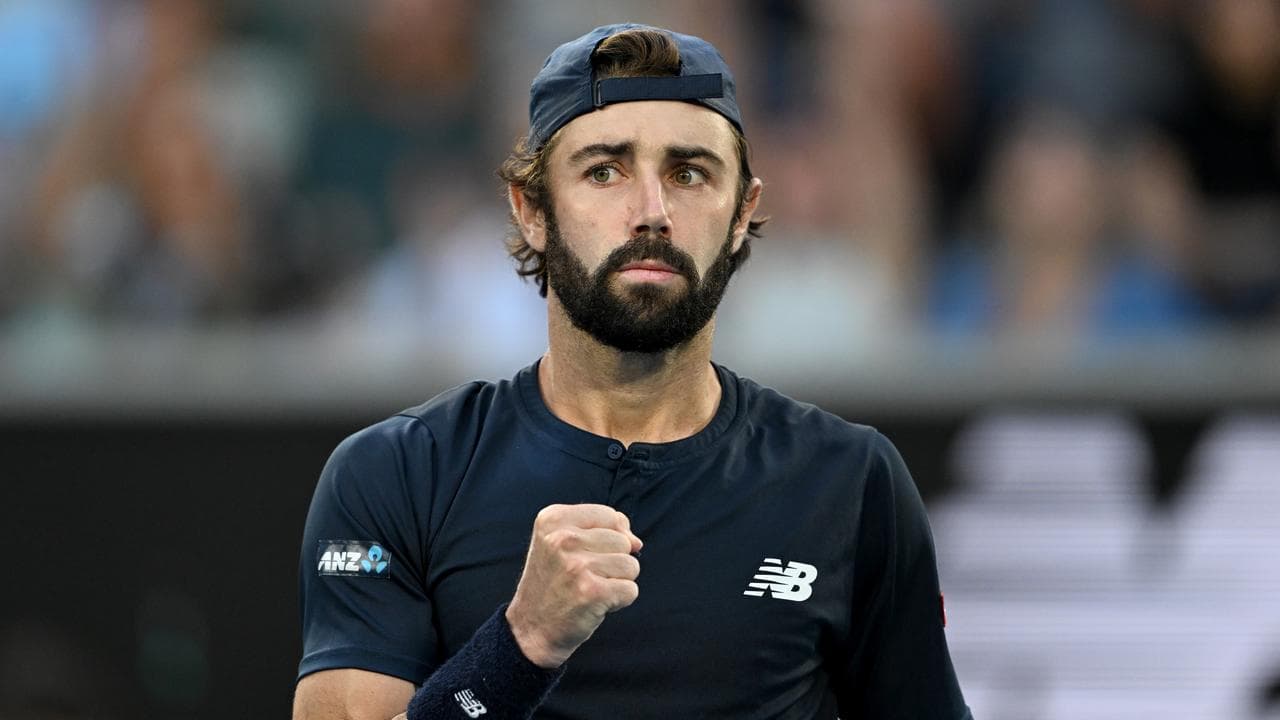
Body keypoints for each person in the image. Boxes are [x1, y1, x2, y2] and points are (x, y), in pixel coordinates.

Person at [292, 23, 971, 720]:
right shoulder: (398, 474)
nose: (652, 213)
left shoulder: (851, 484)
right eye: (604, 171)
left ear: (742, 213)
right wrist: (519, 646)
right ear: (532, 211)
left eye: (689, 173)